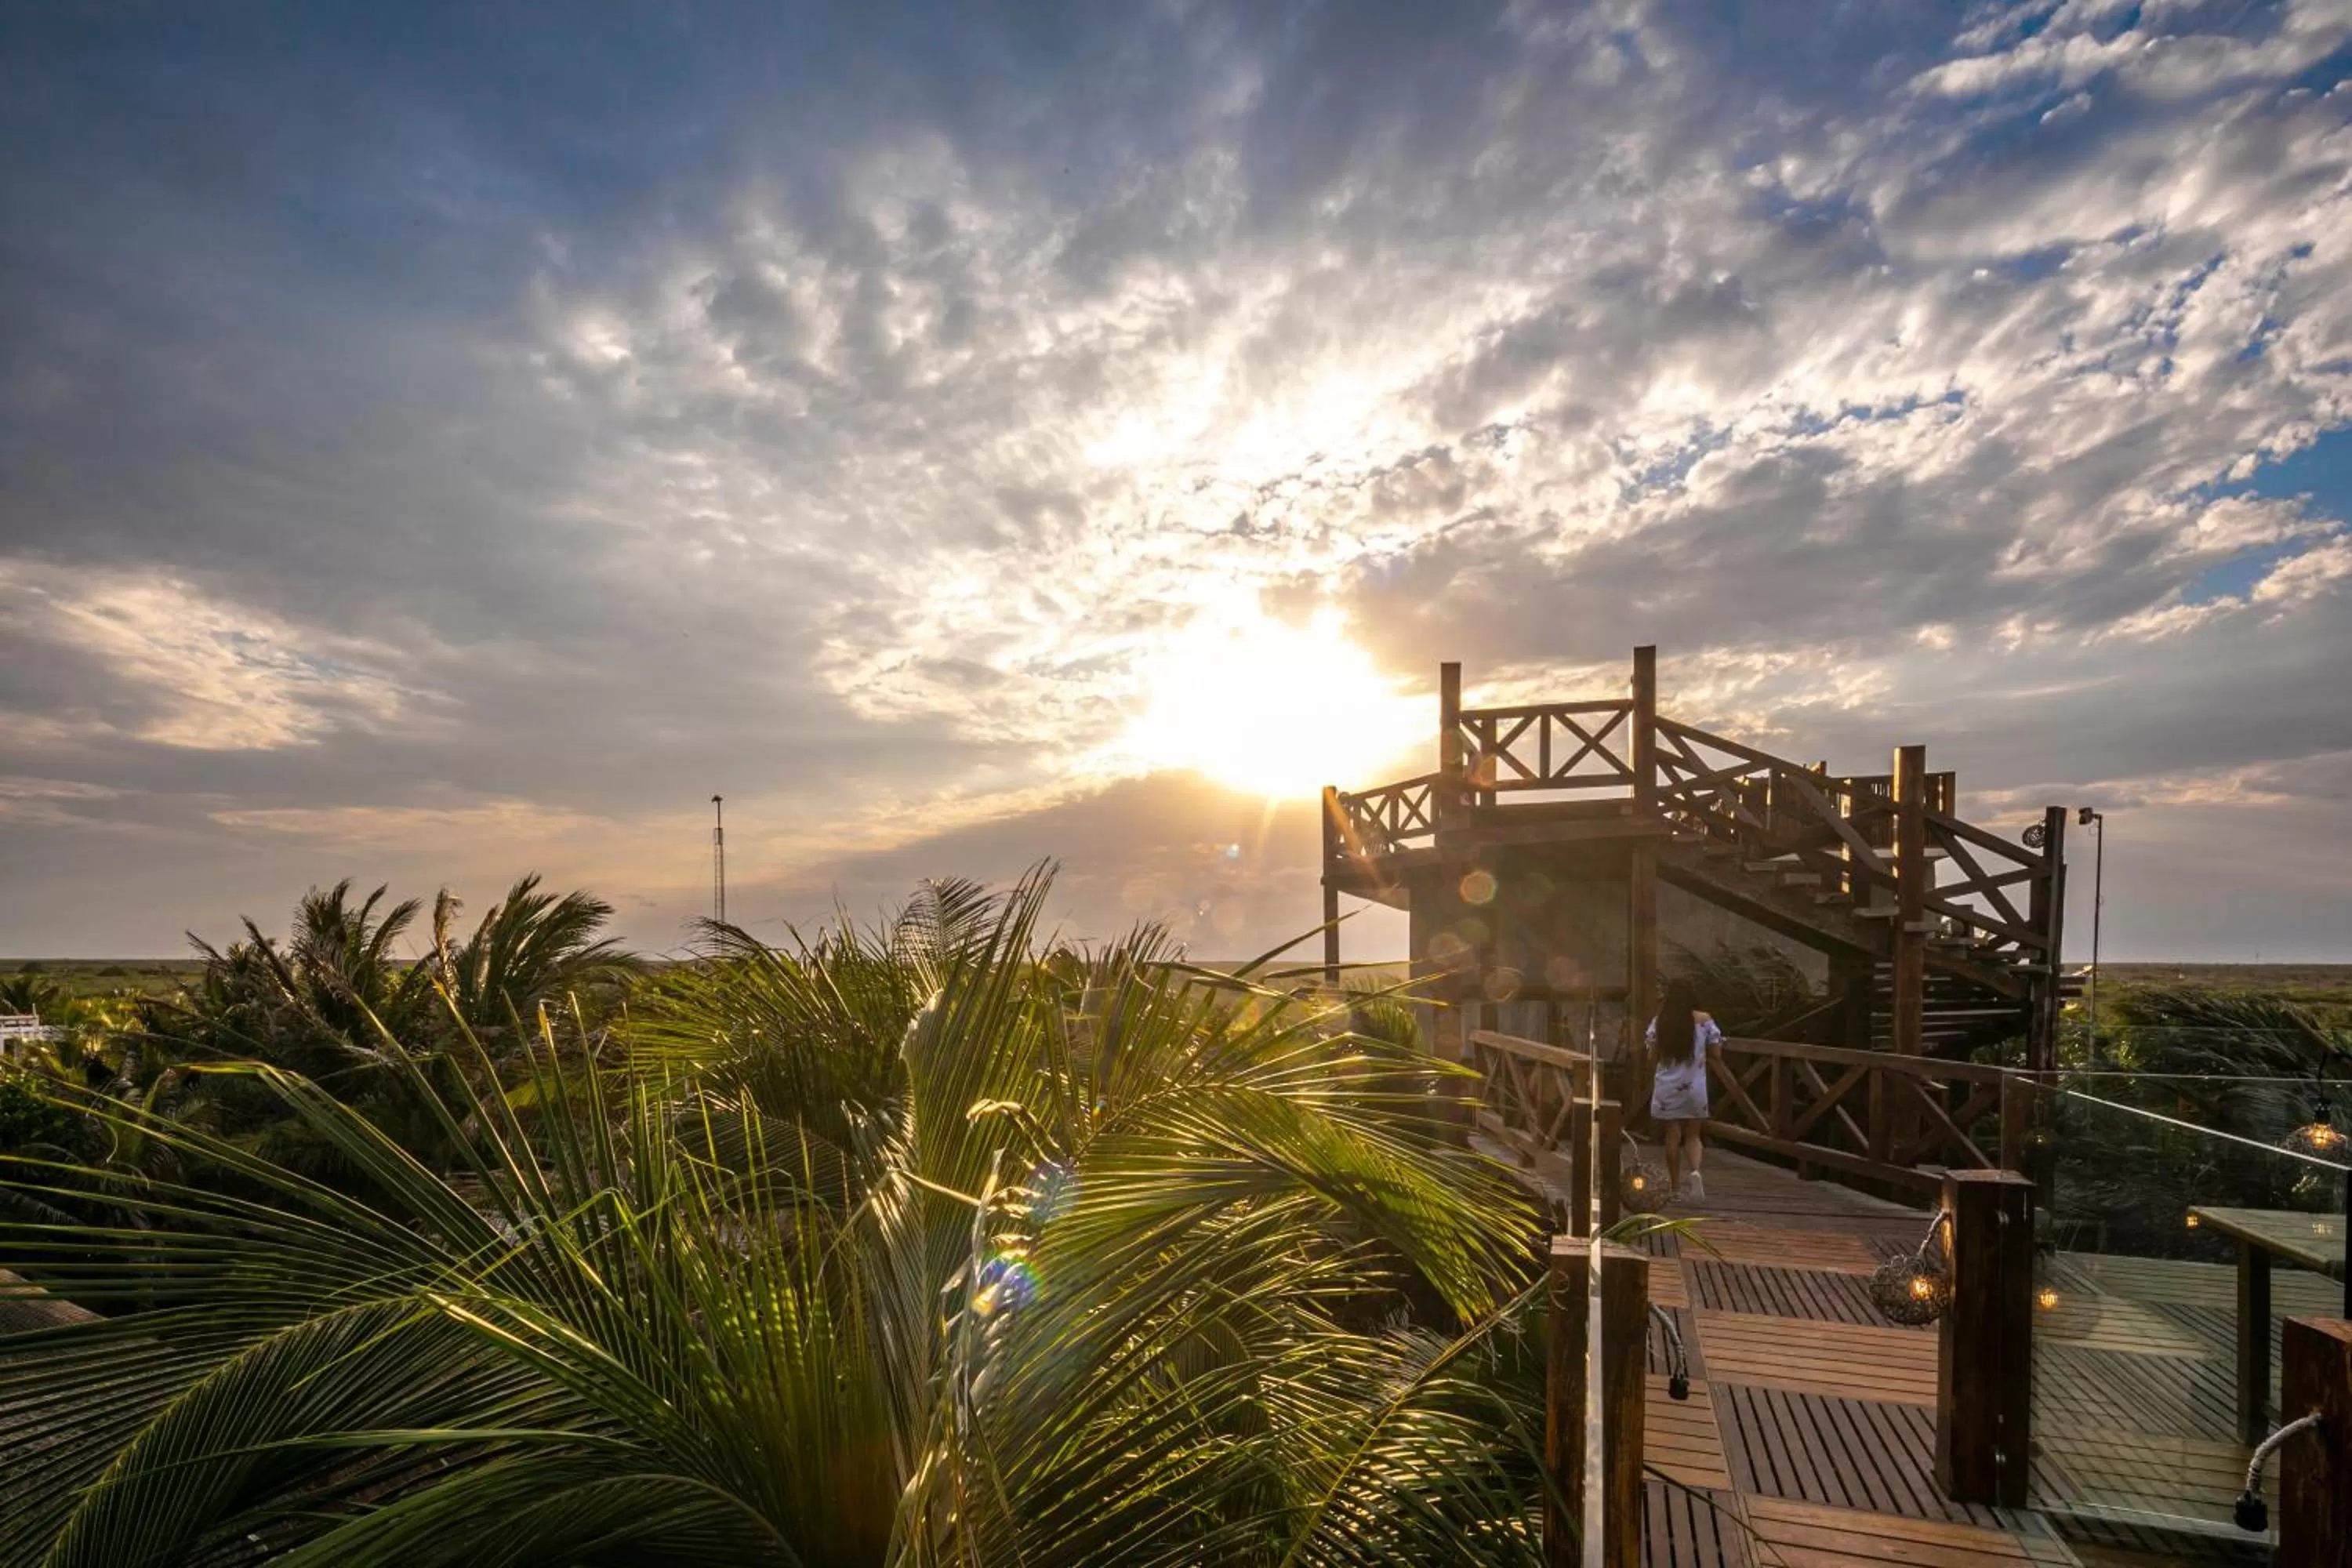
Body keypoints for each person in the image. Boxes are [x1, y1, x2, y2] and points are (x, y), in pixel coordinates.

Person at [1646, 980, 1722, 1203]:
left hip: (1668, 1086)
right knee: (1693, 1135)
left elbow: (1651, 1056)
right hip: (1694, 1086)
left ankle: (1675, 1187)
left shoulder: (1660, 1022)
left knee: (1673, 1135)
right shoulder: (1705, 1020)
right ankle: (1695, 1171)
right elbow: (1717, 1053)